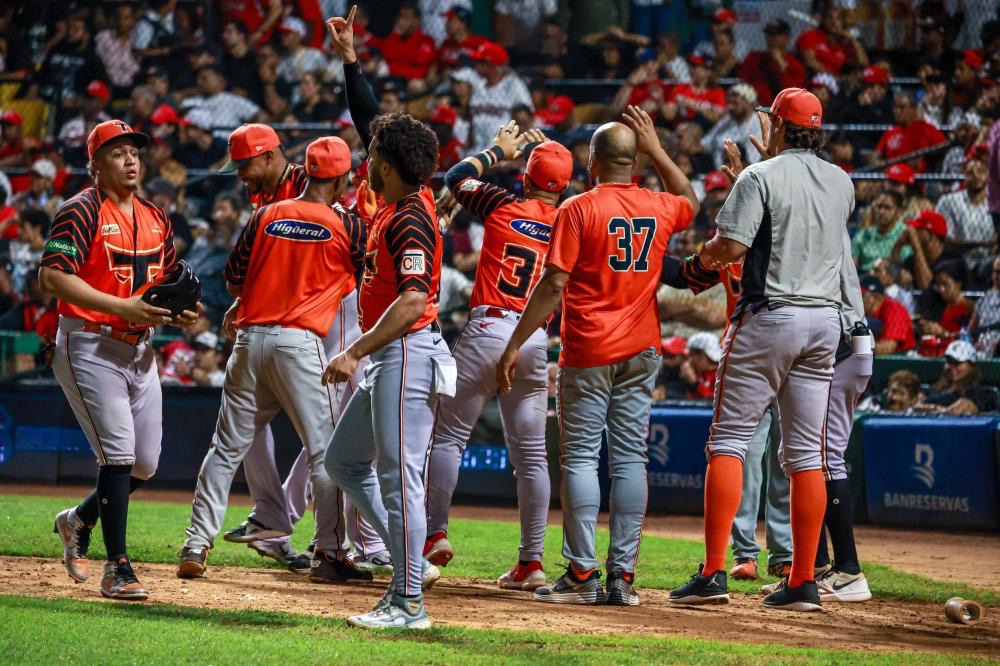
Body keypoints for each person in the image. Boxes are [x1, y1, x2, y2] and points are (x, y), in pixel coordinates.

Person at [497, 105, 698, 606]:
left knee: (582, 458)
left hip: (589, 348)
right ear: (634, 160)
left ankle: (583, 576)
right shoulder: (659, 203)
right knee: (631, 459)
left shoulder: (578, 207)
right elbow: (691, 198)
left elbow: (554, 284)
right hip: (643, 347)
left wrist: (517, 341)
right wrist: (657, 150)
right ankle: (623, 578)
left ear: (592, 160)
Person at [668, 88, 853, 612]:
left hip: (771, 316)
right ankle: (802, 580)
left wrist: (695, 266)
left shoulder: (759, 177)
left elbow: (729, 248)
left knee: (727, 441)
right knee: (806, 456)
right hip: (824, 322)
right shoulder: (843, 181)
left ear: (776, 124)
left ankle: (712, 573)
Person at [176, 136, 371, 587]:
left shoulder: (265, 214)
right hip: (299, 344)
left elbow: (232, 279)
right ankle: (330, 553)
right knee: (327, 454)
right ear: (341, 178)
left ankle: (195, 544)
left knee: (224, 449)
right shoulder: (348, 225)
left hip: (248, 340)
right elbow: (370, 276)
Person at [323, 5, 450, 630]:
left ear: (388, 168)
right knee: (343, 462)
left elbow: (410, 298)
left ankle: (408, 602)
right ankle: (408, 562)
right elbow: (373, 118)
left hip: (406, 352)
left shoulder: (409, 216)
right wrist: (350, 59)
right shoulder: (408, 192)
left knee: (401, 482)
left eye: (373, 152)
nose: (364, 154)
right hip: (393, 355)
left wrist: (355, 350)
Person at [218, 122, 387, 573]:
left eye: (245, 165)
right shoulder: (266, 197)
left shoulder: (303, 184)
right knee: (262, 420)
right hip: (295, 314)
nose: (241, 175)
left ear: (271, 156)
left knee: (335, 420)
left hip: (336, 303)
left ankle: (361, 541)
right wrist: (245, 300)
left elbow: (349, 243)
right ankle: (274, 515)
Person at [44, 119, 198, 601]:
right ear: (95, 165)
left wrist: (178, 311)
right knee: (118, 454)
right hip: (88, 343)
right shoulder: (80, 210)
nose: (130, 159)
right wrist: (122, 307)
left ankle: (78, 519)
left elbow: (167, 278)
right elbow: (52, 278)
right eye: (117, 152)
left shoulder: (156, 215)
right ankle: (118, 568)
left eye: (134, 151)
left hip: (140, 347)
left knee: (146, 464)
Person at [423, 122, 570, 591]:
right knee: (531, 457)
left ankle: (434, 534)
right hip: (534, 337)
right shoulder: (572, 220)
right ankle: (531, 562)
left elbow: (454, 177)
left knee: (447, 436)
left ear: (526, 178)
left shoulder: (504, 204)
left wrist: (498, 151)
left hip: (490, 328)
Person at [461, 41, 533, 151]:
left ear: (492, 65)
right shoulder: (477, 85)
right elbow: (471, 122)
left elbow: (525, 119)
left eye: (481, 62)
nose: (476, 65)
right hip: (477, 151)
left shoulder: (513, 85)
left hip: (502, 152)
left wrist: (517, 151)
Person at [918, 340, 997, 415]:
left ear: (971, 366)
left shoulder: (978, 394)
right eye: (949, 361)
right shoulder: (934, 389)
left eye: (957, 363)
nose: (952, 367)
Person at [739, 19, 807, 106]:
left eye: (775, 35)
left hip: (781, 109)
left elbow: (789, 94)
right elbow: (742, 82)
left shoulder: (795, 65)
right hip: (753, 106)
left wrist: (780, 65)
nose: (771, 39)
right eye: (769, 35)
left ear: (786, 38)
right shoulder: (754, 58)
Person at [702, 84, 763, 169]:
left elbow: (751, 161)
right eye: (728, 103)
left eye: (735, 103)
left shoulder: (758, 123)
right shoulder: (728, 120)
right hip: (715, 169)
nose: (730, 107)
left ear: (748, 102)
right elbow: (705, 143)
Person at [852, 190, 909, 271]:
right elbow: (852, 267)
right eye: (879, 207)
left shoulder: (905, 233)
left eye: (887, 208)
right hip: (866, 278)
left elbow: (905, 264)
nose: (881, 212)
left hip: (894, 278)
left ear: (898, 212)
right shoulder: (863, 235)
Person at [860, 275, 916, 355]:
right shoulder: (867, 313)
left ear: (875, 297)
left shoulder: (894, 309)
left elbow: (887, 348)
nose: (856, 300)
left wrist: (854, 346)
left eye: (861, 296)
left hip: (903, 360)